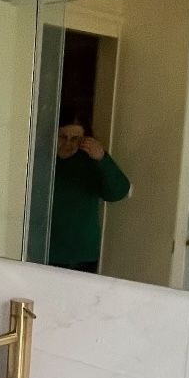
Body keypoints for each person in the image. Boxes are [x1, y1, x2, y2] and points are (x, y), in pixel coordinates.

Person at [48, 112, 131, 272]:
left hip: (81, 254)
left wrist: (102, 158)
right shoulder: (40, 159)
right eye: (62, 136)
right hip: (43, 248)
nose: (68, 143)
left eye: (75, 138)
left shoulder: (91, 162)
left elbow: (118, 192)